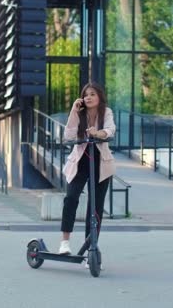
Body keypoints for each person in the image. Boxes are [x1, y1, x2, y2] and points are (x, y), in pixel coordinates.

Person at [59, 82, 116, 256]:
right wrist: (74, 112)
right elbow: (68, 135)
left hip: (101, 163)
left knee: (95, 207)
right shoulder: (79, 112)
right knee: (71, 198)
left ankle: (90, 248)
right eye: (86, 95)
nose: (88, 97)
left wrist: (98, 133)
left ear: (99, 96)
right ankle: (64, 242)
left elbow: (110, 130)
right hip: (80, 162)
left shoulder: (106, 112)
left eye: (92, 94)